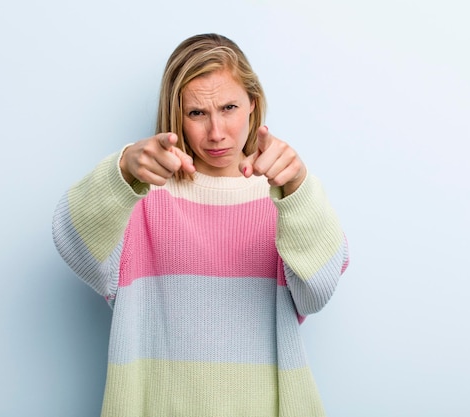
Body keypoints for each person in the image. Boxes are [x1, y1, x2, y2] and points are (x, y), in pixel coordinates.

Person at [52, 33, 349, 417]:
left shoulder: (284, 195)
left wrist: (297, 188)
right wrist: (123, 170)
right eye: (197, 113)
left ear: (252, 105)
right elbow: (70, 240)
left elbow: (318, 291)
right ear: (177, 115)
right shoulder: (141, 196)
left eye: (229, 107)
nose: (216, 132)